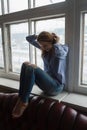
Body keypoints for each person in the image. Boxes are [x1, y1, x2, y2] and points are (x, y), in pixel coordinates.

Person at [12, 31, 68, 118]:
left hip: (56, 87)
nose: (43, 48)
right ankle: (21, 98)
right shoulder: (46, 47)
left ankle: (24, 102)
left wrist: (55, 41)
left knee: (32, 68)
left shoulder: (59, 51)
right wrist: (39, 37)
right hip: (47, 85)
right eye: (41, 45)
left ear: (52, 43)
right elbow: (28, 39)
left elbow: (60, 50)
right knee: (25, 64)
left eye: (45, 45)